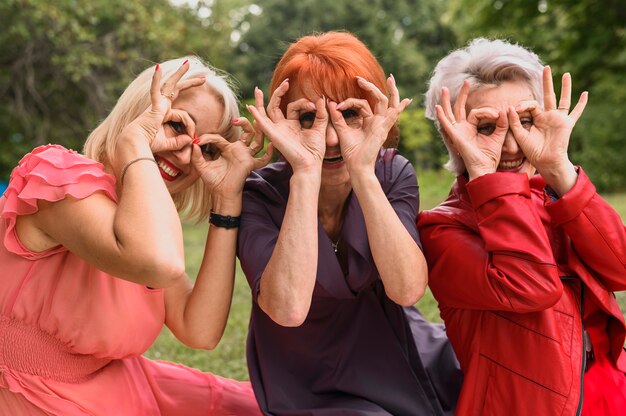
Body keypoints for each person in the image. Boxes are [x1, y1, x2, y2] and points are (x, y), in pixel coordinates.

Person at [0, 56, 271, 415]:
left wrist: (226, 197)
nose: (188, 155)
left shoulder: (145, 217)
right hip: (29, 394)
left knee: (262, 408)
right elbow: (158, 263)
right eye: (176, 125)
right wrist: (134, 142)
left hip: (116, 385)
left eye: (206, 148)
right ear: (140, 113)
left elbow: (199, 330)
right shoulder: (58, 177)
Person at [238, 31, 461, 415]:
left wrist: (364, 172)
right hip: (310, 379)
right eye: (308, 116)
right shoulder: (259, 195)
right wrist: (305, 173)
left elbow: (407, 289)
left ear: (374, 113)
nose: (330, 137)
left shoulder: (391, 173)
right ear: (281, 119)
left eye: (350, 114)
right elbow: (287, 309)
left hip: (400, 349)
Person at [418, 38, 626, 415]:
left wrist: (561, 171)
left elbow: (622, 269)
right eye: (485, 127)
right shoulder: (440, 230)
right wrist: (484, 172)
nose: (511, 144)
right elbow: (531, 286)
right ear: (452, 133)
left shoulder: (555, 195)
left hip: (608, 396)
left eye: (524, 121)